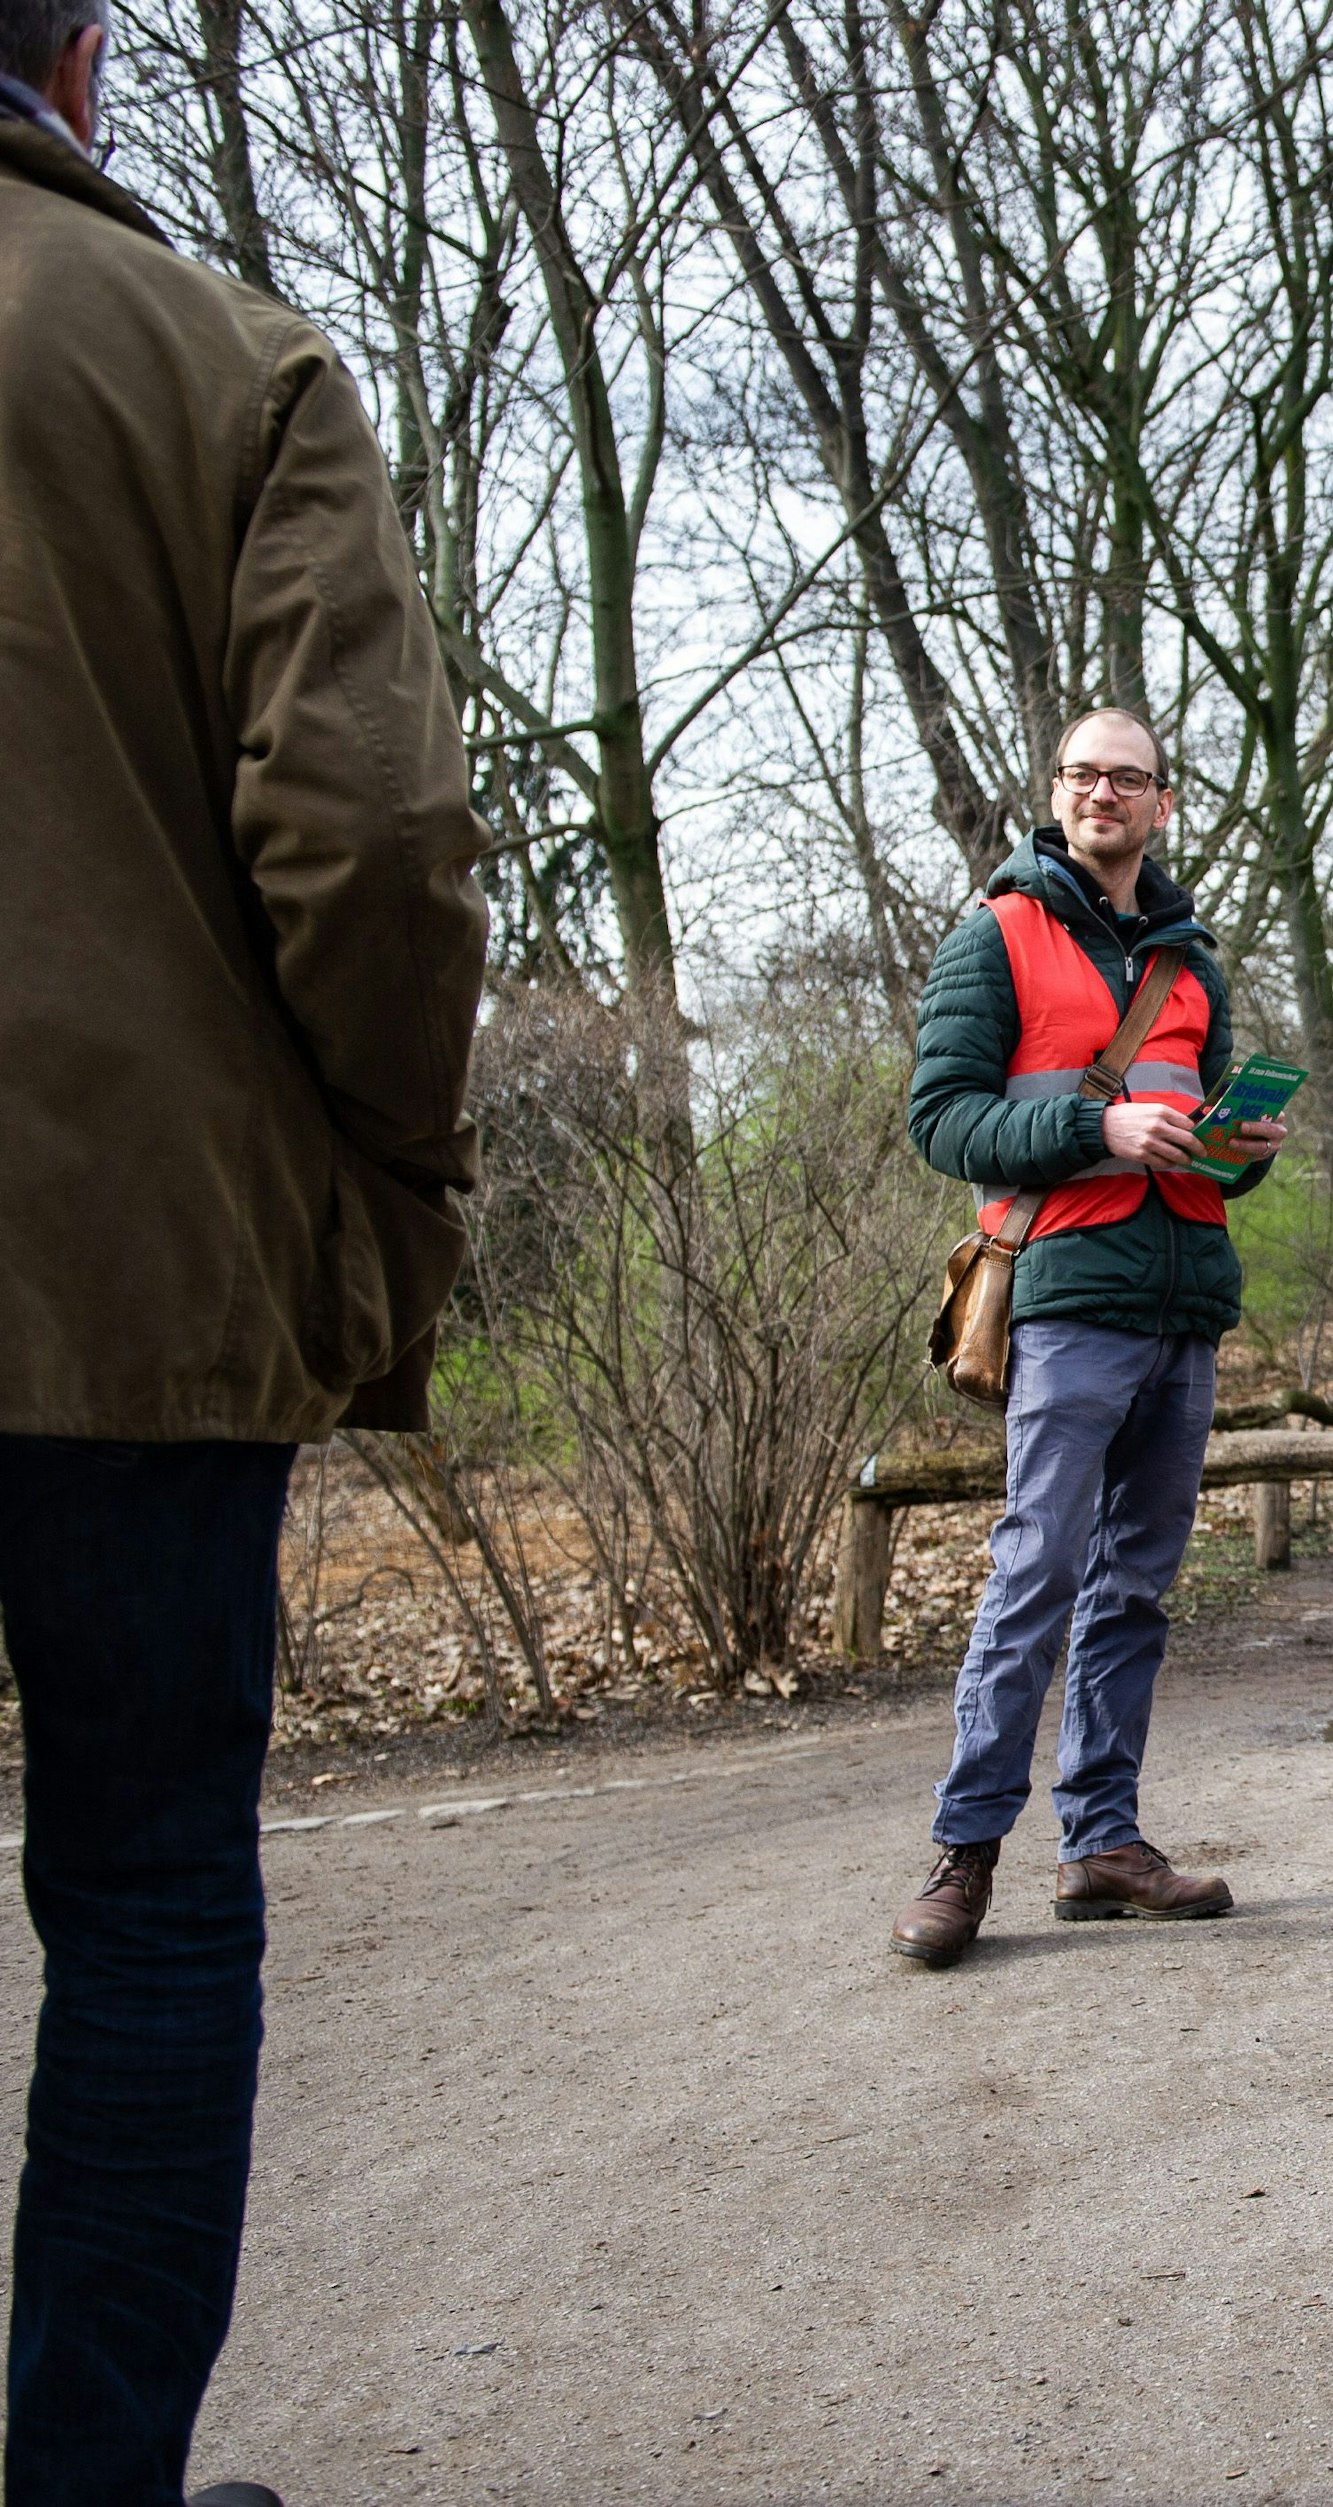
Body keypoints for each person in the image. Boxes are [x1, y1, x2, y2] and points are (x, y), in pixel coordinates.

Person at [0, 15, 488, 2504]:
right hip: (127, 1293)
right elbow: (373, 840)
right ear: (79, 56)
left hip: (135, 1282)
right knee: (151, 1900)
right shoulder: (216, 359)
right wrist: (393, 1167)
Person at [891, 708, 1287, 1966]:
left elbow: (1203, 1144)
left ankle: (1101, 1842)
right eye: (1081, 774)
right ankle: (962, 1857)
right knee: (1033, 1577)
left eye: (1125, 776)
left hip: (1182, 1307)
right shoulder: (993, 935)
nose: (1101, 791)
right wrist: (1091, 1126)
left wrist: (1239, 1155)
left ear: (1159, 803)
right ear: (1056, 795)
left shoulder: (1190, 964)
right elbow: (943, 1119)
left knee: (1133, 1590)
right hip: (1063, 1302)